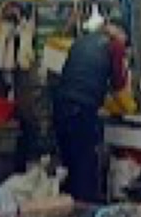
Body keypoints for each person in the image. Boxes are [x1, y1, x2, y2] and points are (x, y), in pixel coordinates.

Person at [53, 17, 128, 202]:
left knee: (71, 165)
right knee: (85, 167)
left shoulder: (82, 40)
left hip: (60, 105)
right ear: (120, 33)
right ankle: (85, 212)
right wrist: (128, 108)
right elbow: (118, 85)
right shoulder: (115, 45)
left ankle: (68, 209)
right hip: (81, 110)